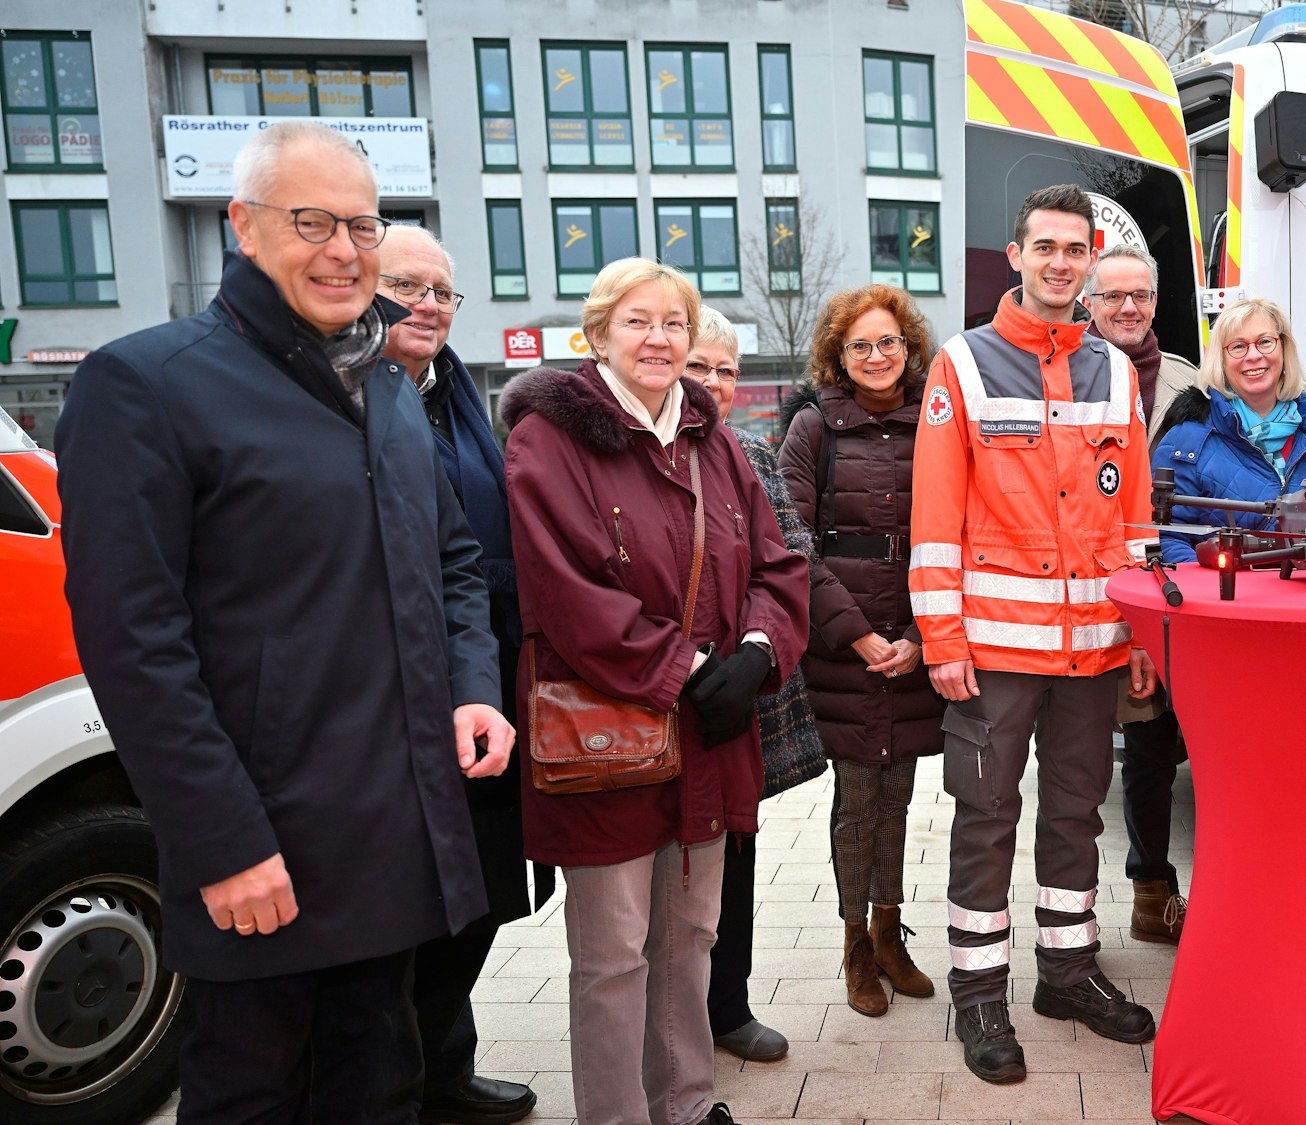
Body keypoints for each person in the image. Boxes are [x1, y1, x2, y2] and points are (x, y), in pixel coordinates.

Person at [54, 120, 512, 1123]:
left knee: (380, 1087)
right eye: (312, 222)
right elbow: (134, 644)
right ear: (244, 226)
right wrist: (220, 843)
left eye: (361, 225)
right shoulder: (147, 384)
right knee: (254, 1095)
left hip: (398, 834)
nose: (343, 250)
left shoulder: (387, 387)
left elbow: (452, 562)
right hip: (266, 847)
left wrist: (473, 688)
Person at [500, 258, 809, 1125]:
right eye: (637, 321)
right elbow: (566, 593)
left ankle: (686, 1104)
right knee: (613, 956)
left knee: (692, 938)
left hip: (709, 736)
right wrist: (685, 670)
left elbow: (778, 564)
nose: (659, 338)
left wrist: (758, 652)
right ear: (597, 334)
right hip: (610, 737)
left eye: (675, 322)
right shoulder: (549, 439)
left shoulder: (713, 441)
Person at [911, 183, 1159, 1084]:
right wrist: (943, 639)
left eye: (1074, 249)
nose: (1060, 262)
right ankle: (979, 992)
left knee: (1076, 813)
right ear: (1016, 255)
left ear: (1091, 261)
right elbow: (934, 518)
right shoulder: (963, 365)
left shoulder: (1116, 372)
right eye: (1044, 247)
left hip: (1093, 647)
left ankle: (1067, 971)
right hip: (993, 653)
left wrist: (1143, 634)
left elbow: (1136, 517)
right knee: (985, 819)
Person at [376, 224, 544, 1125]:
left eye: (443, 291)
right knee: (412, 904)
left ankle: (444, 1063)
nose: (429, 304)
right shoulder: (353, 395)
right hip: (399, 693)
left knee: (481, 891)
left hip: (487, 679)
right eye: (408, 286)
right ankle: (402, 1082)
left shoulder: (453, 393)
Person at [776, 284, 947, 1016]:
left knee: (898, 796)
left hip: (912, 637)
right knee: (856, 801)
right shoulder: (812, 428)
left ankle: (888, 932)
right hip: (843, 644)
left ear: (909, 348)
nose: (877, 356)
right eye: (860, 345)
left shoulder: (937, 421)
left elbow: (958, 529)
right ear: (837, 355)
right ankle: (854, 945)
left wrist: (919, 637)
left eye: (889, 342)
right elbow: (791, 543)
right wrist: (858, 634)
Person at [685, 307, 828, 1064]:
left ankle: (726, 1006)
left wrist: (754, 650)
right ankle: (665, 1023)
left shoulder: (751, 453)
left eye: (726, 370)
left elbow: (790, 556)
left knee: (736, 850)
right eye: (698, 366)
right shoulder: (610, 454)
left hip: (739, 695)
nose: (713, 383)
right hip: (654, 695)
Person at [1083, 244, 1199, 943]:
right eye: (1113, 296)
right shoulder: (1065, 375)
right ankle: (1104, 898)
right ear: (1089, 303)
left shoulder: (1192, 382)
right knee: (1108, 751)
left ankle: (1155, 896)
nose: (1128, 308)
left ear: (1155, 302)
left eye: (1141, 296)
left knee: (1164, 744)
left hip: (1176, 584)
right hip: (1094, 587)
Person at [1153, 296, 1306, 561]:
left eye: (1265, 342)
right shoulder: (1186, 441)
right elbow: (1170, 538)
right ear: (1220, 360)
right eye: (1238, 346)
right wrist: (1215, 586)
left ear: (1283, 349)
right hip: (1225, 586)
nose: (1254, 356)